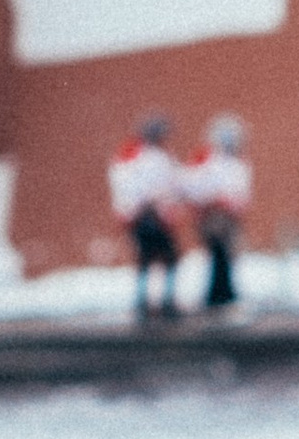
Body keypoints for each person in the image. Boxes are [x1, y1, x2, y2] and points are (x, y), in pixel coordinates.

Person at [107, 114, 184, 319]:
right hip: (148, 215)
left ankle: (152, 300)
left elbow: (173, 183)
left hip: (150, 214)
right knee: (161, 256)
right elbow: (139, 187)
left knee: (157, 257)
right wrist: (142, 208)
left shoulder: (155, 156)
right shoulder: (142, 156)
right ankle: (155, 301)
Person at [185, 114, 252, 312]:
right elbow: (197, 187)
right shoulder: (209, 162)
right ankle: (217, 295)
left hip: (230, 217)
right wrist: (214, 200)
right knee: (219, 254)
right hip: (214, 216)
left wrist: (236, 205)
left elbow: (241, 190)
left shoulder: (237, 163)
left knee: (228, 255)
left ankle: (225, 292)